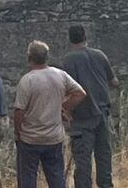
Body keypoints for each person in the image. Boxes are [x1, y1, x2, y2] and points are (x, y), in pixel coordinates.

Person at [13, 41, 87, 188]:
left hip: (30, 139)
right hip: (53, 137)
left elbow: (19, 111)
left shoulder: (27, 80)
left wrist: (18, 132)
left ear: (29, 57)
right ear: (47, 57)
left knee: (28, 178)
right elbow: (80, 93)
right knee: (56, 177)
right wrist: (63, 107)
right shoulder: (60, 75)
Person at [62, 25, 119, 188]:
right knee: (103, 155)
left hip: (82, 116)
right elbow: (113, 82)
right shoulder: (100, 55)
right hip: (102, 114)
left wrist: (66, 111)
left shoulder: (69, 60)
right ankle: (106, 185)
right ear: (85, 37)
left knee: (83, 159)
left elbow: (69, 89)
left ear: (70, 39)